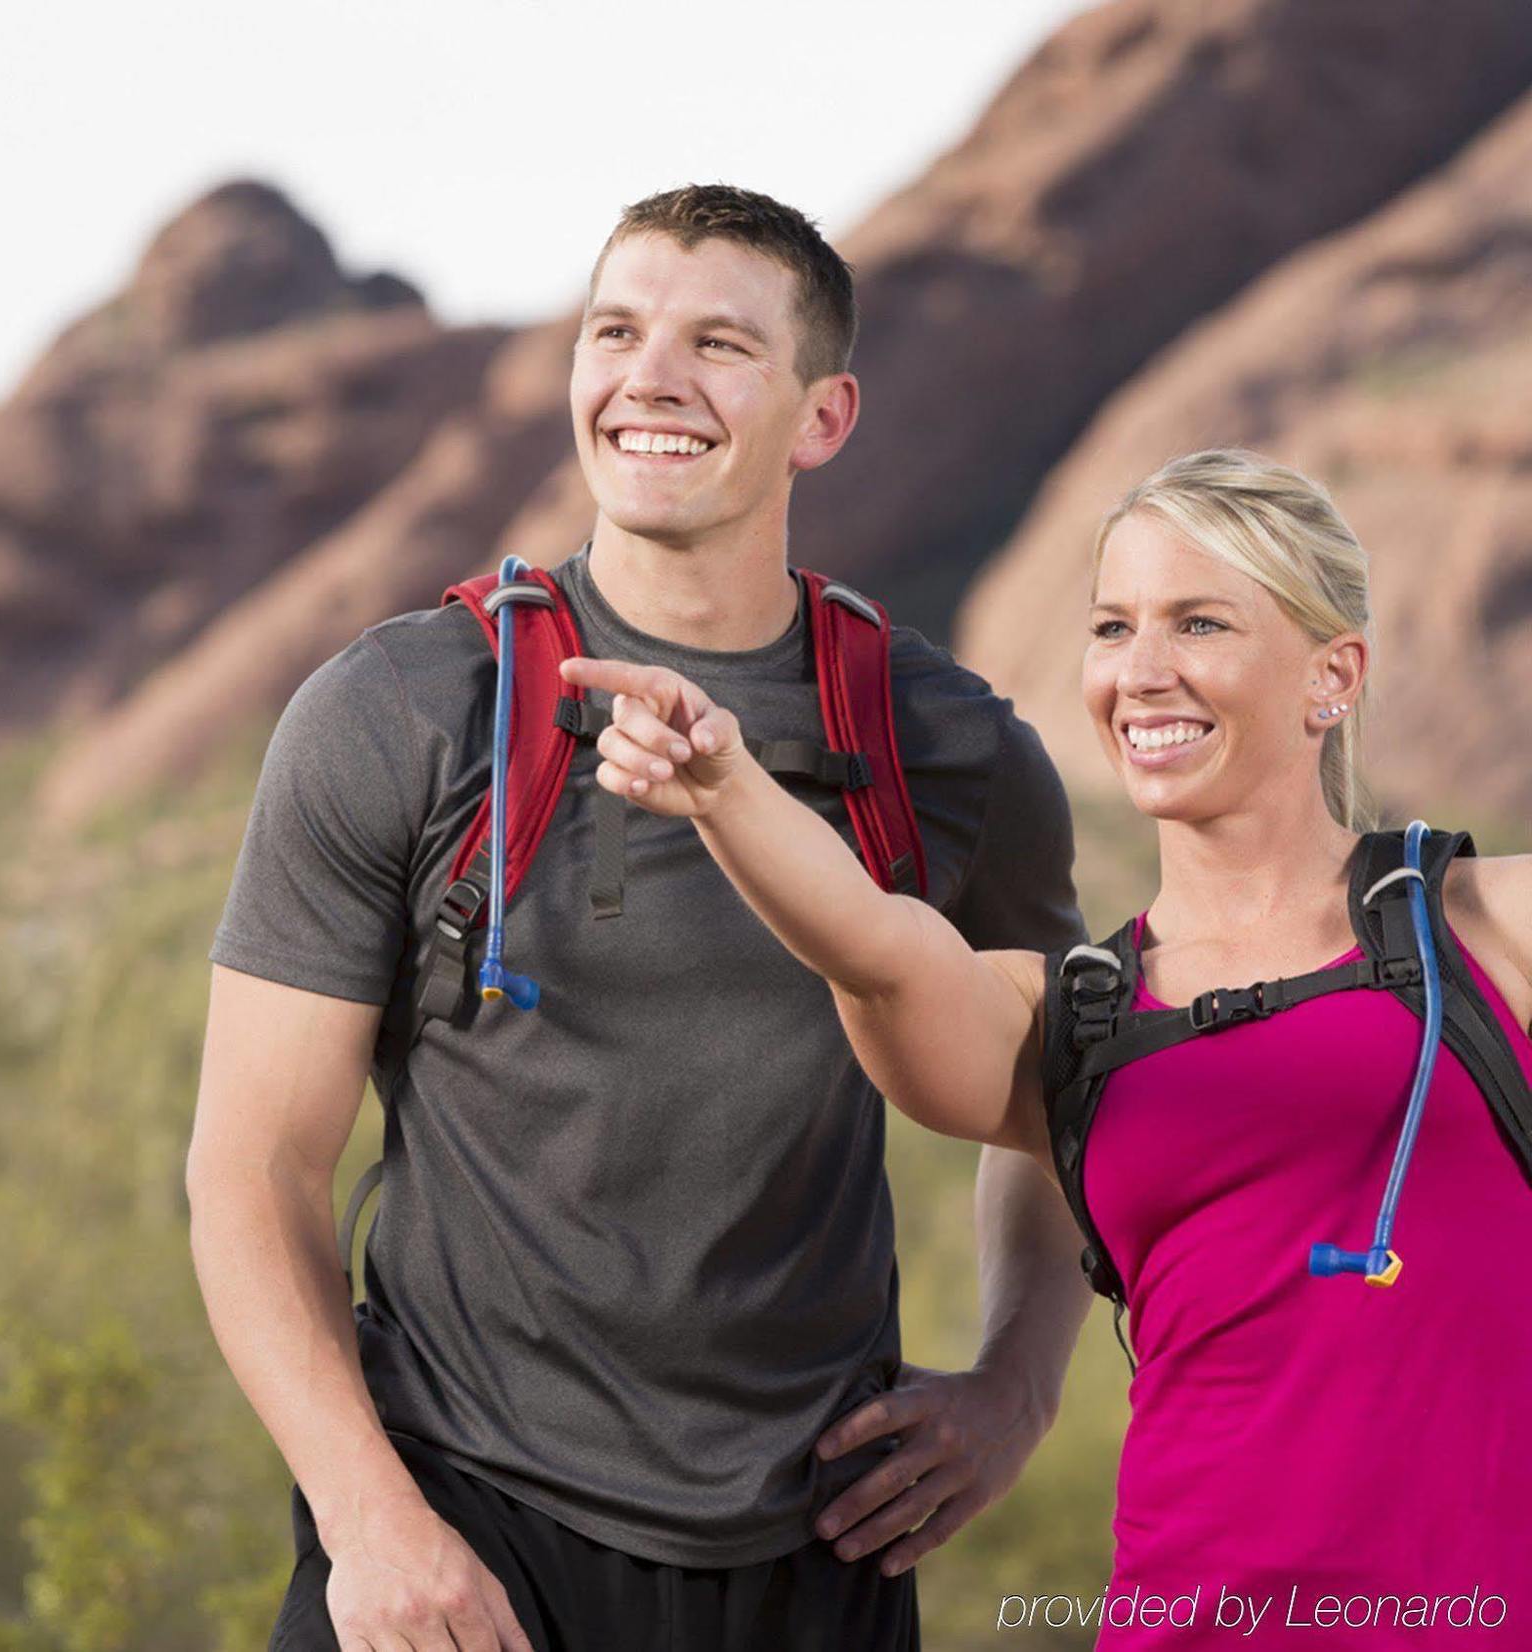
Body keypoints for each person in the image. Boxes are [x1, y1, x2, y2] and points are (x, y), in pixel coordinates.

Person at [187, 183, 1093, 1652]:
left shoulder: (951, 747)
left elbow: (1057, 1100)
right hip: (460, 1547)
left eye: (720, 344)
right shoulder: (407, 708)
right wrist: (370, 1525)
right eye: (616, 331)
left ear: (824, 417)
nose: (650, 378)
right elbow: (252, 1169)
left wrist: (1017, 1386)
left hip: (819, 1558)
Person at [566, 447, 1532, 1647]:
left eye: (1199, 622)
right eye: (1111, 625)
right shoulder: (1067, 1015)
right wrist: (725, 787)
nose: (1140, 671)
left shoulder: (1485, 929)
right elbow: (878, 950)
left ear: (1328, 674)